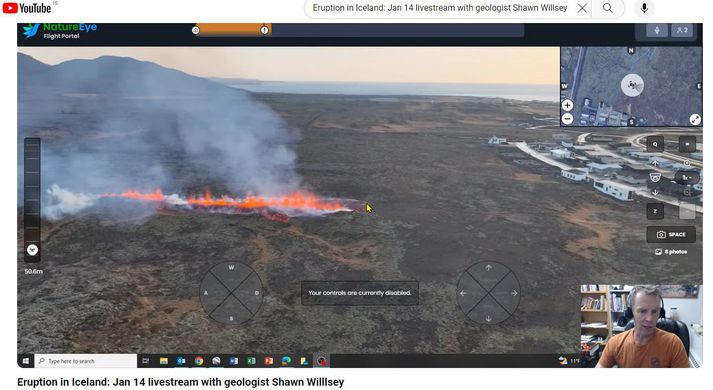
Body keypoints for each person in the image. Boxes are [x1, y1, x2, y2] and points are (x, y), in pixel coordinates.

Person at [596, 286, 688, 368]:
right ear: (631, 312)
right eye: (643, 311)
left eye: (654, 311)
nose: (649, 319)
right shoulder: (615, 343)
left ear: (661, 313)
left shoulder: (673, 344)